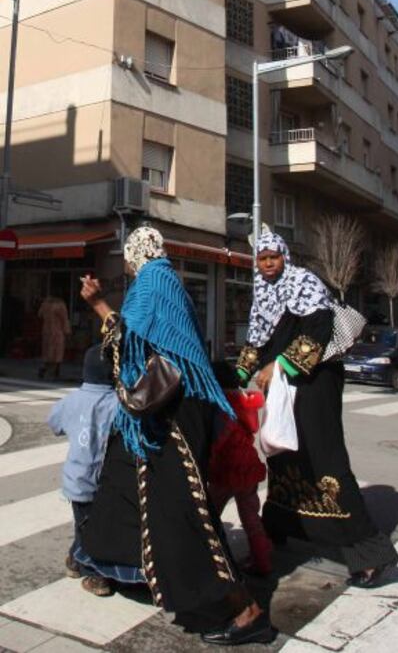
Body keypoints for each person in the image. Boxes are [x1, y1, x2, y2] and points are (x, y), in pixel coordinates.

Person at [79, 225, 276, 645]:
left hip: (173, 415)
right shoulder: (168, 281)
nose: (130, 265)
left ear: (137, 255)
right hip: (176, 410)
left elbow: (130, 344)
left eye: (130, 258)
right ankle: (152, 576)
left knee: (182, 513)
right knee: (163, 506)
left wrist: (99, 306)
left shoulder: (152, 283)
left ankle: (243, 611)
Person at [237, 231, 398, 589]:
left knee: (324, 457)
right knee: (283, 457)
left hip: (316, 385)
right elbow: (258, 340)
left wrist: (278, 365)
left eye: (273, 257)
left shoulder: (304, 283)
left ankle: (370, 554)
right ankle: (277, 532)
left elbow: (319, 331)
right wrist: (236, 375)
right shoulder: (263, 292)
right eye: (261, 258)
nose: (267, 264)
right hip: (282, 387)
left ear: (284, 256)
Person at [47, 344, 118, 596]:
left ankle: (75, 560)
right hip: (104, 481)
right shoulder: (116, 403)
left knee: (84, 525)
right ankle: (95, 575)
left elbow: (53, 423)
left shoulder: (71, 400)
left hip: (76, 479)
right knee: (92, 528)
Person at [209, 362, 272, 575]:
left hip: (225, 469)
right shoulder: (245, 402)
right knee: (251, 518)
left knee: (210, 515)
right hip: (248, 467)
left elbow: (219, 438)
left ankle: (215, 557)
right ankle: (262, 560)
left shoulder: (220, 405)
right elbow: (251, 428)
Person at [38, 291, 71, 379]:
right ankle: (56, 371)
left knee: (47, 350)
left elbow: (40, 314)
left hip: (46, 331)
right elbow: (64, 319)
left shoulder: (45, 304)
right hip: (57, 331)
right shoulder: (60, 305)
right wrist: (67, 332)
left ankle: (44, 368)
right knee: (57, 351)